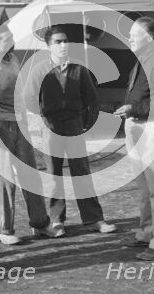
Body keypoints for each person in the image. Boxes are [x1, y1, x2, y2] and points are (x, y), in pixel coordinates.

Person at [0, 23, 64, 244]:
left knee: (30, 175)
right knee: (4, 178)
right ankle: (3, 230)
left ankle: (40, 224)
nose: (13, 42)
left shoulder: (13, 60)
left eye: (12, 37)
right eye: (7, 39)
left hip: (19, 124)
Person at [24, 25, 117, 234]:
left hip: (75, 126)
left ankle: (94, 219)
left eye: (65, 41)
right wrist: (43, 119)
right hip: (50, 127)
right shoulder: (39, 70)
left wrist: (87, 124)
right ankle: (57, 221)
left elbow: (92, 99)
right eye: (58, 42)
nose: (63, 45)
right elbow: (29, 98)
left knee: (82, 173)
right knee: (54, 176)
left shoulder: (79, 69)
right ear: (48, 46)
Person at [113, 17, 154, 260]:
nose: (129, 38)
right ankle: (147, 233)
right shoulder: (143, 60)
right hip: (138, 127)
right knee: (144, 188)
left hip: (152, 129)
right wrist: (129, 110)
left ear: (149, 38)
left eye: (133, 35)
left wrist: (132, 109)